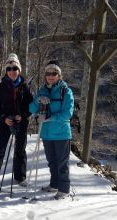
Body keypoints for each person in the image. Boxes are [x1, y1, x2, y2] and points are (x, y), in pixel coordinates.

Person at [0, 53, 33, 193]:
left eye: (14, 68)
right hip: (5, 122)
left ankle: (20, 178)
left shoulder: (25, 87)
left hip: (21, 122)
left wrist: (23, 116)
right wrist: (3, 117)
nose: (12, 71)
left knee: (20, 150)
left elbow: (31, 105)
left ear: (19, 70)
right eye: (9, 69)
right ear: (6, 71)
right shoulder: (0, 87)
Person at [29, 60, 74, 200]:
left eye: (54, 73)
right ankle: (54, 185)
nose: (50, 75)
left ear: (59, 75)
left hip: (61, 133)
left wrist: (50, 118)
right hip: (47, 133)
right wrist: (37, 101)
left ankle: (64, 189)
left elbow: (68, 113)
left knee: (62, 162)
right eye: (48, 73)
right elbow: (31, 109)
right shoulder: (42, 90)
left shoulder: (66, 91)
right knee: (52, 161)